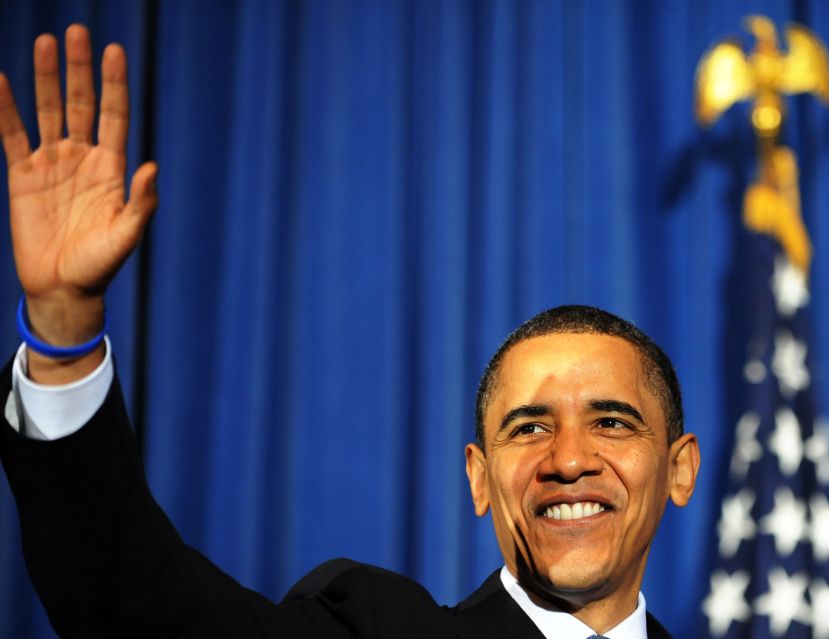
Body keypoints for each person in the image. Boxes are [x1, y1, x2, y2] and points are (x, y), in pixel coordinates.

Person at [0, 25, 700, 638]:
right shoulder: (374, 625)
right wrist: (65, 327)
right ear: (479, 478)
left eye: (611, 421)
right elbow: (138, 604)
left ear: (679, 468)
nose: (568, 459)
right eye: (527, 427)